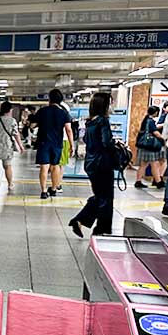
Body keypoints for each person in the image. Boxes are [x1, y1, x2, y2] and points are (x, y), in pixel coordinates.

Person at [70, 92, 117, 237]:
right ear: (104, 105)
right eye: (110, 104)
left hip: (91, 164)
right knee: (106, 198)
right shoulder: (102, 121)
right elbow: (106, 142)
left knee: (100, 196)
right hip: (102, 164)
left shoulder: (90, 122)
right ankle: (101, 229)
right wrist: (116, 145)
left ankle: (81, 220)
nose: (112, 107)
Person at [33, 89, 74, 198]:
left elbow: (33, 125)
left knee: (44, 167)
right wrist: (71, 145)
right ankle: (54, 189)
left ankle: (44, 191)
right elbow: (69, 130)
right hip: (57, 143)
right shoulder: (64, 113)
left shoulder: (43, 111)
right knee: (55, 166)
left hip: (43, 142)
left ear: (49, 99)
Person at [0, 100, 23, 194]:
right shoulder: (12, 121)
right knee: (7, 166)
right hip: (7, 146)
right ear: (9, 110)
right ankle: (10, 184)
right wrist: (20, 145)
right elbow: (16, 134)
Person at [134, 105, 166, 189]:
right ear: (155, 112)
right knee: (154, 163)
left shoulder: (146, 120)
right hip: (149, 146)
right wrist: (163, 139)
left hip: (144, 145)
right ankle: (158, 181)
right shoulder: (150, 121)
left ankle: (138, 181)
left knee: (144, 164)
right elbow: (155, 132)